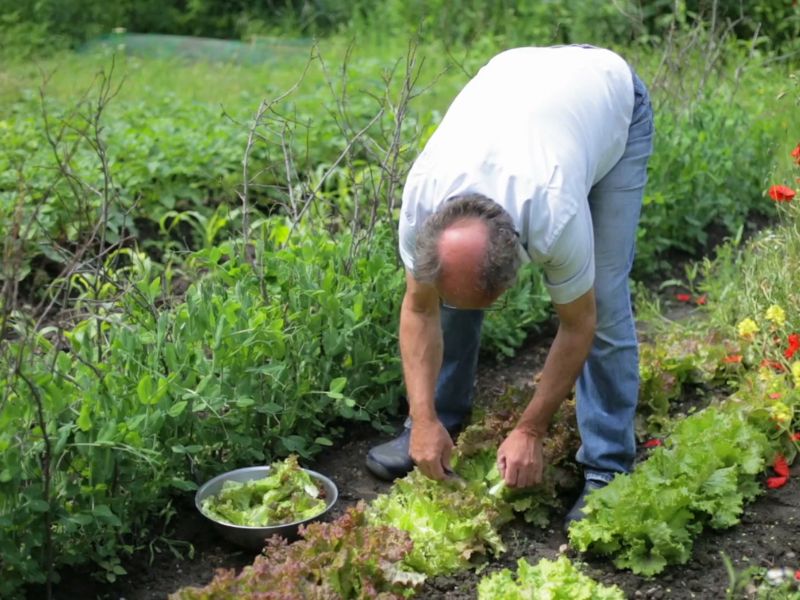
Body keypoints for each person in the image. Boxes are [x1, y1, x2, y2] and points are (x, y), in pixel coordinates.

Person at [365, 45, 654, 531]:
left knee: (602, 297)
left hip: (609, 100)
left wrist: (531, 429)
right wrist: (422, 415)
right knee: (445, 302)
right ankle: (435, 425)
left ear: (517, 267)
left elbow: (579, 324)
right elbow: (420, 310)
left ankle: (607, 466)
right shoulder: (423, 203)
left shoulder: (554, 214)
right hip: (517, 77)